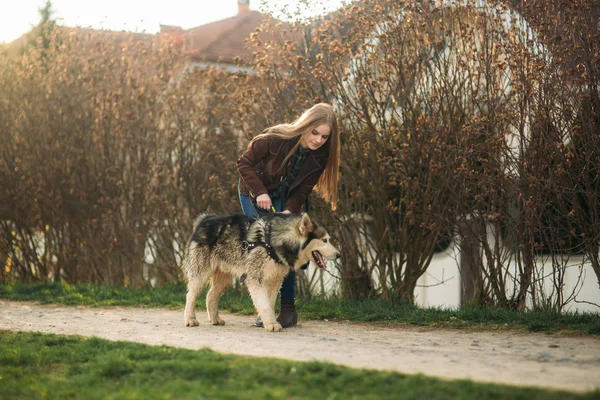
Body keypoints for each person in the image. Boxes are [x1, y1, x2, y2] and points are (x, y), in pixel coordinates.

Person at [237, 102, 341, 327]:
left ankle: (287, 311)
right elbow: (244, 163)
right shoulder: (276, 138)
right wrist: (260, 192)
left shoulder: (319, 156)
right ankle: (265, 311)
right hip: (253, 193)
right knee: (265, 251)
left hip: (282, 198)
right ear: (305, 124)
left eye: (324, 137)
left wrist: (289, 210)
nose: (317, 140)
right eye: (314, 132)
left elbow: (303, 190)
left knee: (290, 247)